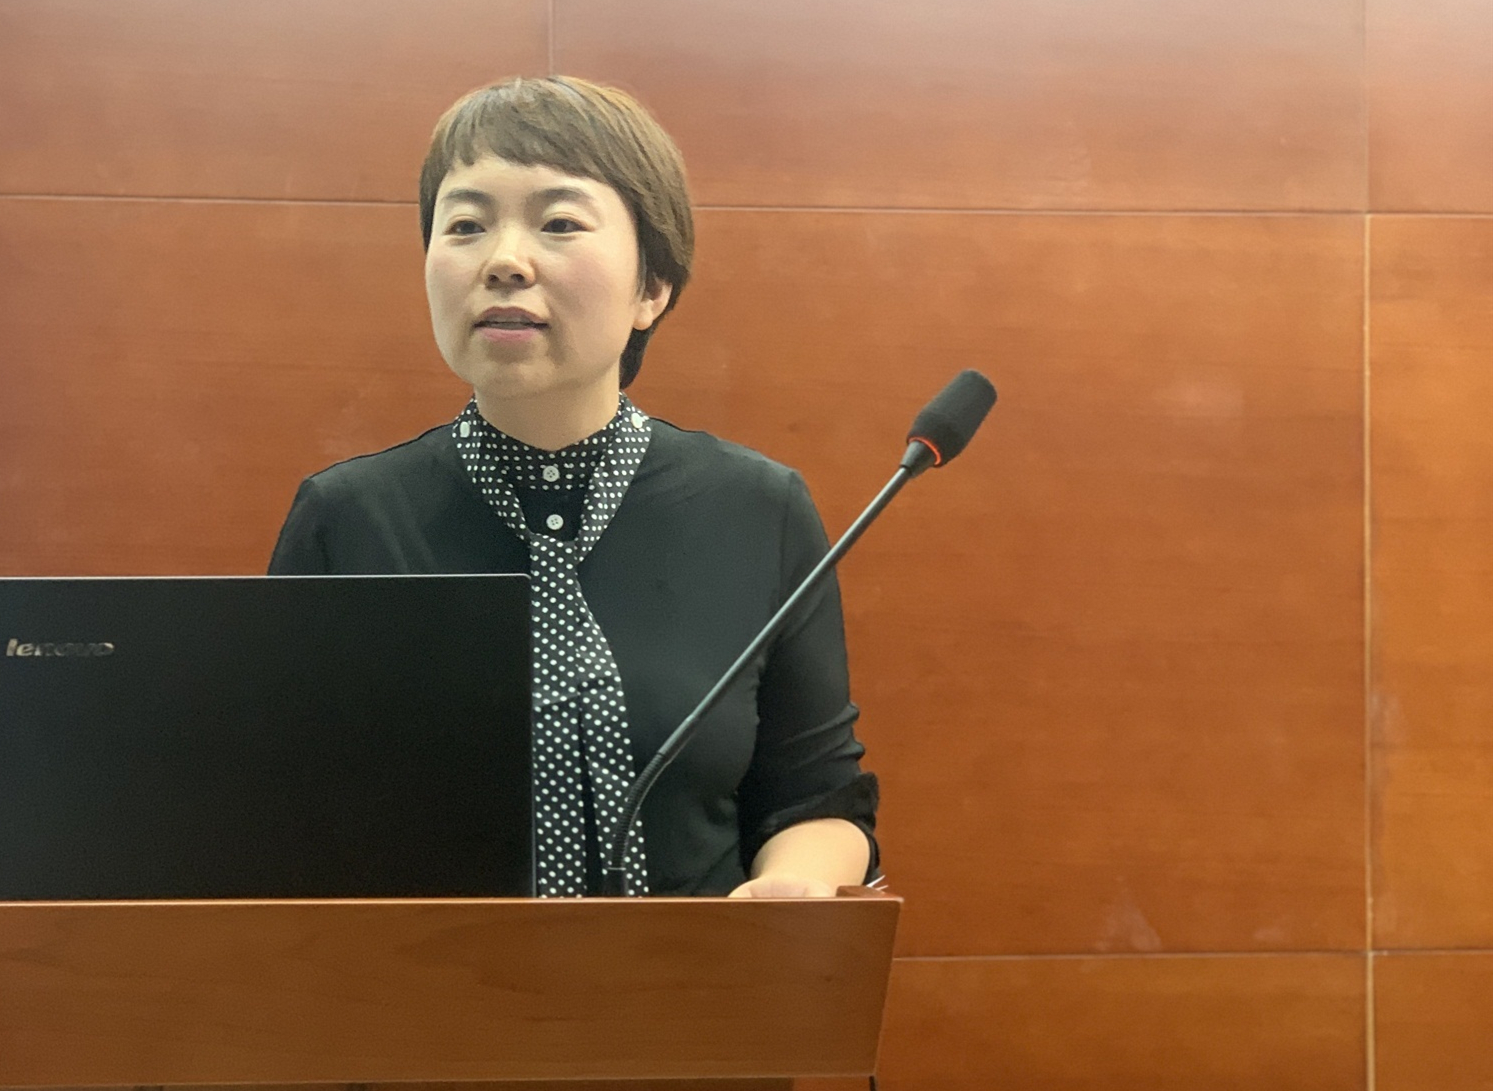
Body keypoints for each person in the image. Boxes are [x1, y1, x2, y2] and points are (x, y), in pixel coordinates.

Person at [268, 76, 877, 898]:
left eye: (557, 223)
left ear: (650, 287)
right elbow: (282, 813)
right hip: (431, 977)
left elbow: (816, 797)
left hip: (697, 974)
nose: (503, 261)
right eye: (465, 225)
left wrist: (791, 889)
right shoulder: (347, 520)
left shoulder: (757, 509)